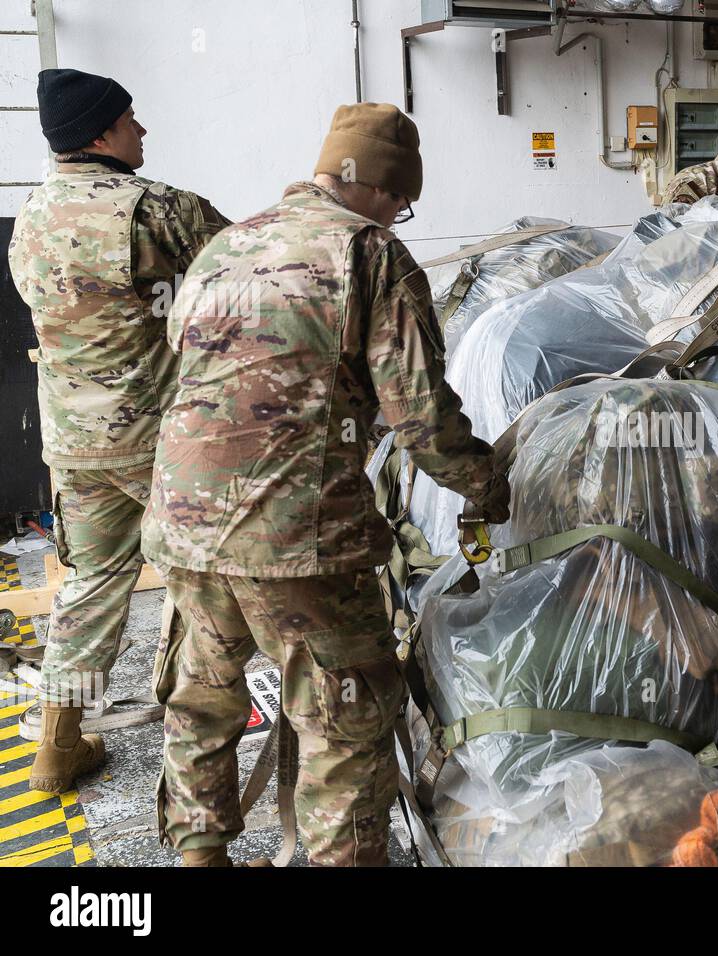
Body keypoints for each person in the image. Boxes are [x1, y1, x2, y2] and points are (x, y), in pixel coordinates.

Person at [140, 102, 511, 867]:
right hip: (298, 542)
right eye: (405, 199)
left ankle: (199, 857)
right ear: (381, 186)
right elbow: (423, 419)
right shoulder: (370, 254)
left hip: (181, 524)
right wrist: (490, 486)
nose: (406, 214)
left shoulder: (223, 246)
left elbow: (186, 377)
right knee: (344, 720)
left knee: (202, 704)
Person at [6, 68, 229, 794]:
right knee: (209, 583)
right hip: (162, 440)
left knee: (93, 584)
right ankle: (199, 757)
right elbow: (253, 275)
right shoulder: (160, 209)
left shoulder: (33, 214)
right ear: (102, 132)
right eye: (132, 119)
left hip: (73, 440)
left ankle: (59, 746)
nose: (143, 131)